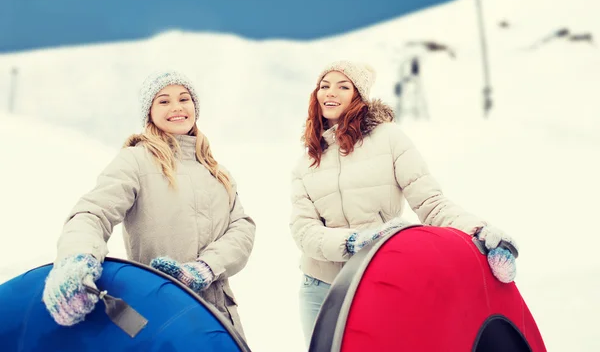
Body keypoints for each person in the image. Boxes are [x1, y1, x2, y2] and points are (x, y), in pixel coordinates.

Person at [290, 60, 517, 346]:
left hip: (374, 280)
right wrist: (354, 242)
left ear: (357, 96)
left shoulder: (389, 139)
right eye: (324, 86)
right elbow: (304, 231)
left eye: (342, 86)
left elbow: (431, 204)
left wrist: (479, 231)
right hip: (320, 289)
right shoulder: (307, 161)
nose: (330, 93)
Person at [42, 71, 256, 337]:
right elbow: (93, 213)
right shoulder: (136, 161)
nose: (177, 107)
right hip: (160, 310)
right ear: (150, 113)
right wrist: (76, 257)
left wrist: (204, 268)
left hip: (221, 317)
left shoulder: (216, 171)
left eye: (184, 99)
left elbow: (242, 229)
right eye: (164, 101)